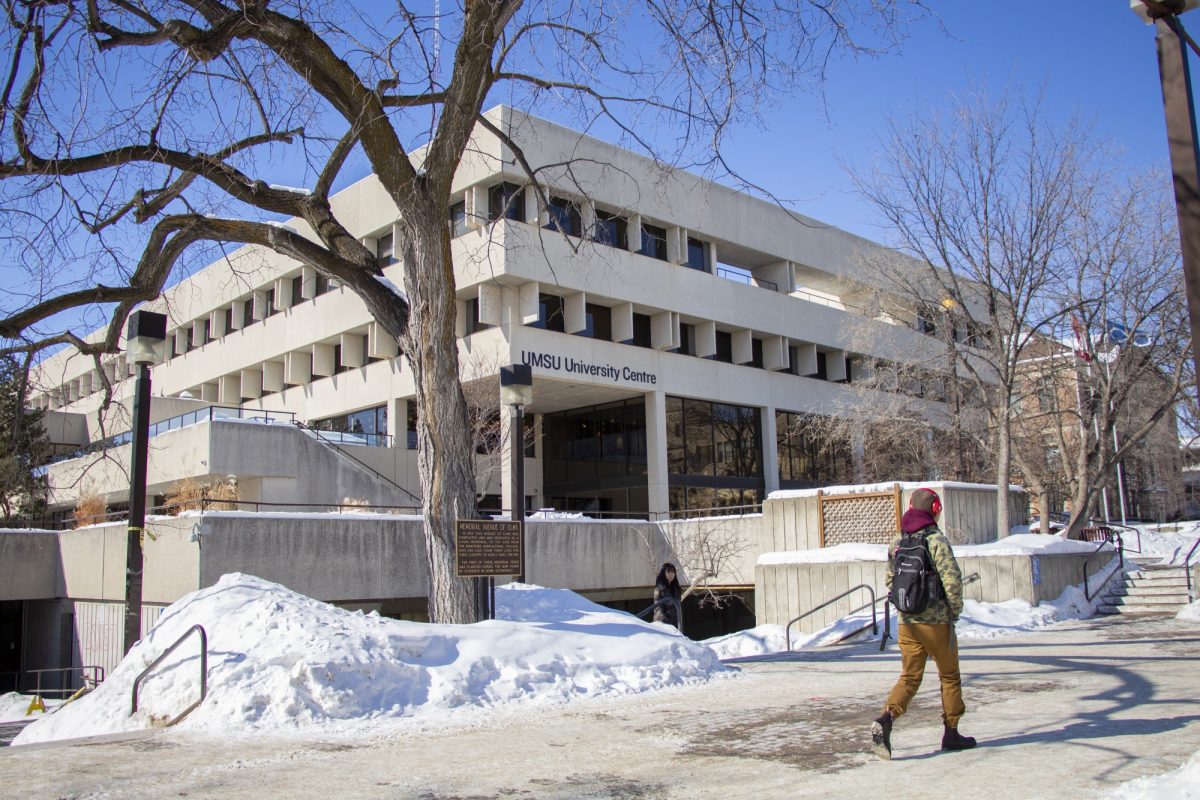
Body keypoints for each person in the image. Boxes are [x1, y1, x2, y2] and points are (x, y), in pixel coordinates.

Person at [872, 487, 976, 760]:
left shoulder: (897, 542)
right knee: (949, 676)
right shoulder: (935, 540)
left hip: (907, 622)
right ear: (935, 509)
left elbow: (889, 581)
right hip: (936, 622)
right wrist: (954, 610)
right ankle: (951, 731)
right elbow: (951, 579)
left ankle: (886, 718)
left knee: (909, 677)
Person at [653, 562, 682, 629]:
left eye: (673, 572)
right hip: (662, 625)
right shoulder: (659, 588)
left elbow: (678, 607)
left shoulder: (676, 588)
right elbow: (658, 609)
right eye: (668, 572)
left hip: (676, 623)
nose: (671, 574)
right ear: (664, 573)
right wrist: (667, 625)